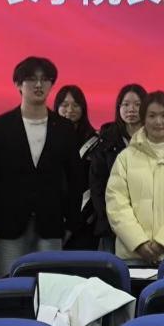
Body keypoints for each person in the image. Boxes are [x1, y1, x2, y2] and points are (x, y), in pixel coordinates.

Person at [0, 56, 82, 279]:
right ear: (18, 84)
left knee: (49, 288)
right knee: (8, 287)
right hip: (8, 226)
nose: (39, 85)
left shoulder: (64, 128)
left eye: (45, 79)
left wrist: (72, 223)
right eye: (31, 79)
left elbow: (75, 179)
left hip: (51, 223)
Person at [105, 91, 164, 262]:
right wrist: (139, 243)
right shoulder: (125, 158)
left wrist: (162, 244)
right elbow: (116, 205)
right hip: (132, 256)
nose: (158, 122)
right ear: (143, 119)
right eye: (152, 116)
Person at [88, 84, 147, 253]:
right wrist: (110, 219)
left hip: (147, 223)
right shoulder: (106, 140)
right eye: (126, 104)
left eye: (137, 104)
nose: (131, 109)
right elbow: (97, 184)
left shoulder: (155, 138)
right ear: (118, 107)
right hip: (112, 225)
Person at [54, 84, 100, 250]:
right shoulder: (47, 138)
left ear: (83, 108)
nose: (70, 110)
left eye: (75, 105)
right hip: (53, 218)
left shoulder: (95, 142)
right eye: (64, 105)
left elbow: (96, 183)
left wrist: (78, 220)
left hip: (85, 220)